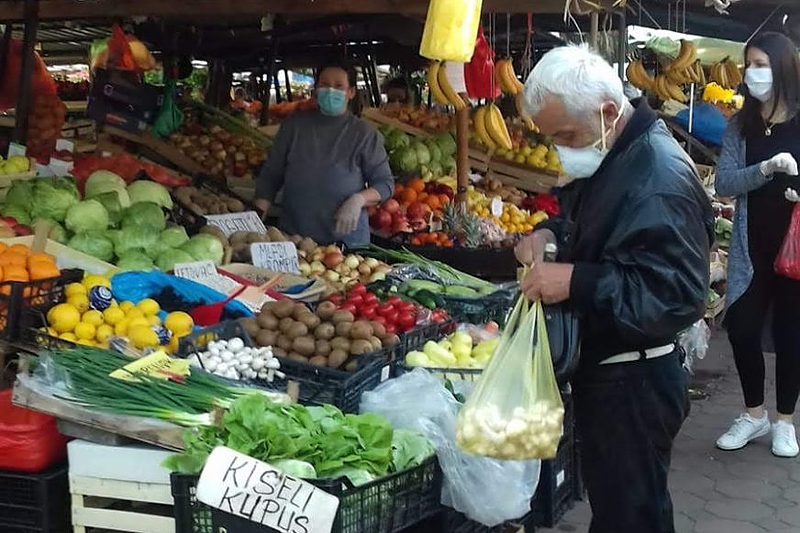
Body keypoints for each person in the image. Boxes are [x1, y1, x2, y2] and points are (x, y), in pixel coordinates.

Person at [515, 45, 713, 533]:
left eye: (565, 135)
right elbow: (587, 223)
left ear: (607, 112)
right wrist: (550, 234)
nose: (562, 147)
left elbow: (678, 295)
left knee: (633, 516)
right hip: (611, 373)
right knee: (617, 509)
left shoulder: (659, 177)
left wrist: (576, 280)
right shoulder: (615, 154)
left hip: (636, 384)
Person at [714, 32, 800, 458]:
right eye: (749, 64)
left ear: (782, 68)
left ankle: (785, 422)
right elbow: (725, 182)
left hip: (796, 249)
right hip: (751, 248)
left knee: (791, 335)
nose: (753, 73)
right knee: (742, 328)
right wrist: (764, 169)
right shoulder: (740, 125)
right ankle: (754, 413)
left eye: (762, 64)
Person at [254, 58, 394, 246]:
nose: (330, 91)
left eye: (338, 86)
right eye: (324, 85)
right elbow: (271, 175)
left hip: (345, 243)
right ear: (316, 89)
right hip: (294, 238)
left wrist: (358, 200)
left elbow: (385, 184)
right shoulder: (294, 126)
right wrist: (256, 218)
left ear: (351, 92)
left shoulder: (365, 134)